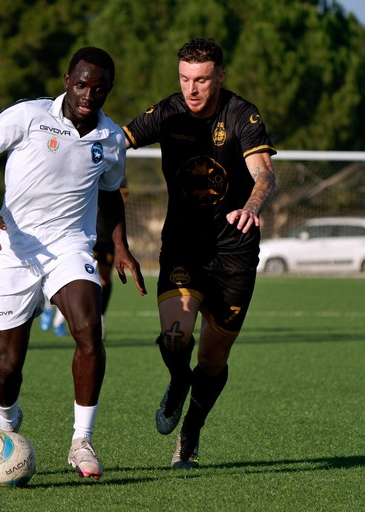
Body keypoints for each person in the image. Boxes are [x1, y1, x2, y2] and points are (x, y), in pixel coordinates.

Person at [0, 47, 146, 481]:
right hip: (14, 249)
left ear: (107, 91)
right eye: (81, 84)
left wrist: (120, 245)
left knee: (89, 328)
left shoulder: (112, 138)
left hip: (70, 248)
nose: (88, 94)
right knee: (7, 368)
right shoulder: (27, 115)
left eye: (98, 89)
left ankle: (81, 440)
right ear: (67, 79)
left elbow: (109, 193)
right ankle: (7, 425)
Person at [122, 37, 277, 469]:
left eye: (202, 80)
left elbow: (264, 173)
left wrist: (251, 206)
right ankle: (176, 381)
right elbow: (116, 139)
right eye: (185, 79)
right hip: (184, 246)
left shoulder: (242, 114)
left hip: (235, 250)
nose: (192, 89)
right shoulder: (168, 112)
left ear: (220, 76)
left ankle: (190, 433)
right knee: (176, 337)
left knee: (211, 359)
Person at [93, 178, 129, 341]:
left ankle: (100, 317)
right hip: (82, 233)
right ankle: (56, 313)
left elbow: (124, 200)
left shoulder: (116, 171)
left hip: (105, 235)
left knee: (103, 280)